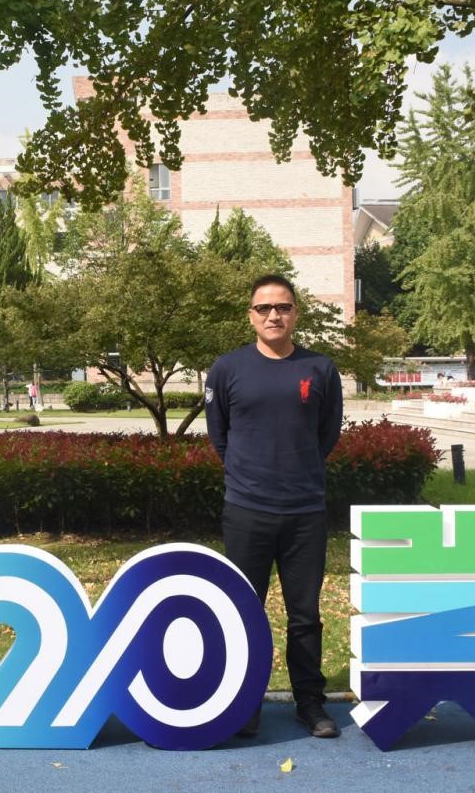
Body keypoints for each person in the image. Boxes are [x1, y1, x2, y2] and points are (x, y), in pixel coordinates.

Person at [204, 274, 343, 740]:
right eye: (263, 308)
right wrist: (250, 476)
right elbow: (220, 435)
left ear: (295, 313)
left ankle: (310, 704)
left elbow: (327, 434)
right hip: (247, 510)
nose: (273, 315)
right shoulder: (227, 369)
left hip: (305, 511)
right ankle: (244, 704)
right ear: (251, 316)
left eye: (282, 307)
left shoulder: (320, 368)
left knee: (305, 615)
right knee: (245, 612)